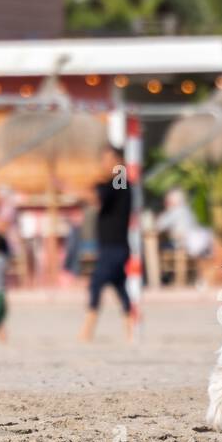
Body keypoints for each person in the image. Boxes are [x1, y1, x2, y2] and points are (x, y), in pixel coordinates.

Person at [79, 147, 135, 343]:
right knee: (120, 287)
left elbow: (98, 197)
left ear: (118, 160)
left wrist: (70, 188)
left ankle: (86, 332)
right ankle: (131, 332)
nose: (104, 163)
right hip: (112, 247)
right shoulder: (112, 184)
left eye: (107, 158)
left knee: (97, 283)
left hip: (115, 247)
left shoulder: (119, 180)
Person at [156, 188, 213, 260]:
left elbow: (159, 226)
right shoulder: (188, 210)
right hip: (195, 245)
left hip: (183, 245)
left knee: (159, 246)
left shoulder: (175, 211)